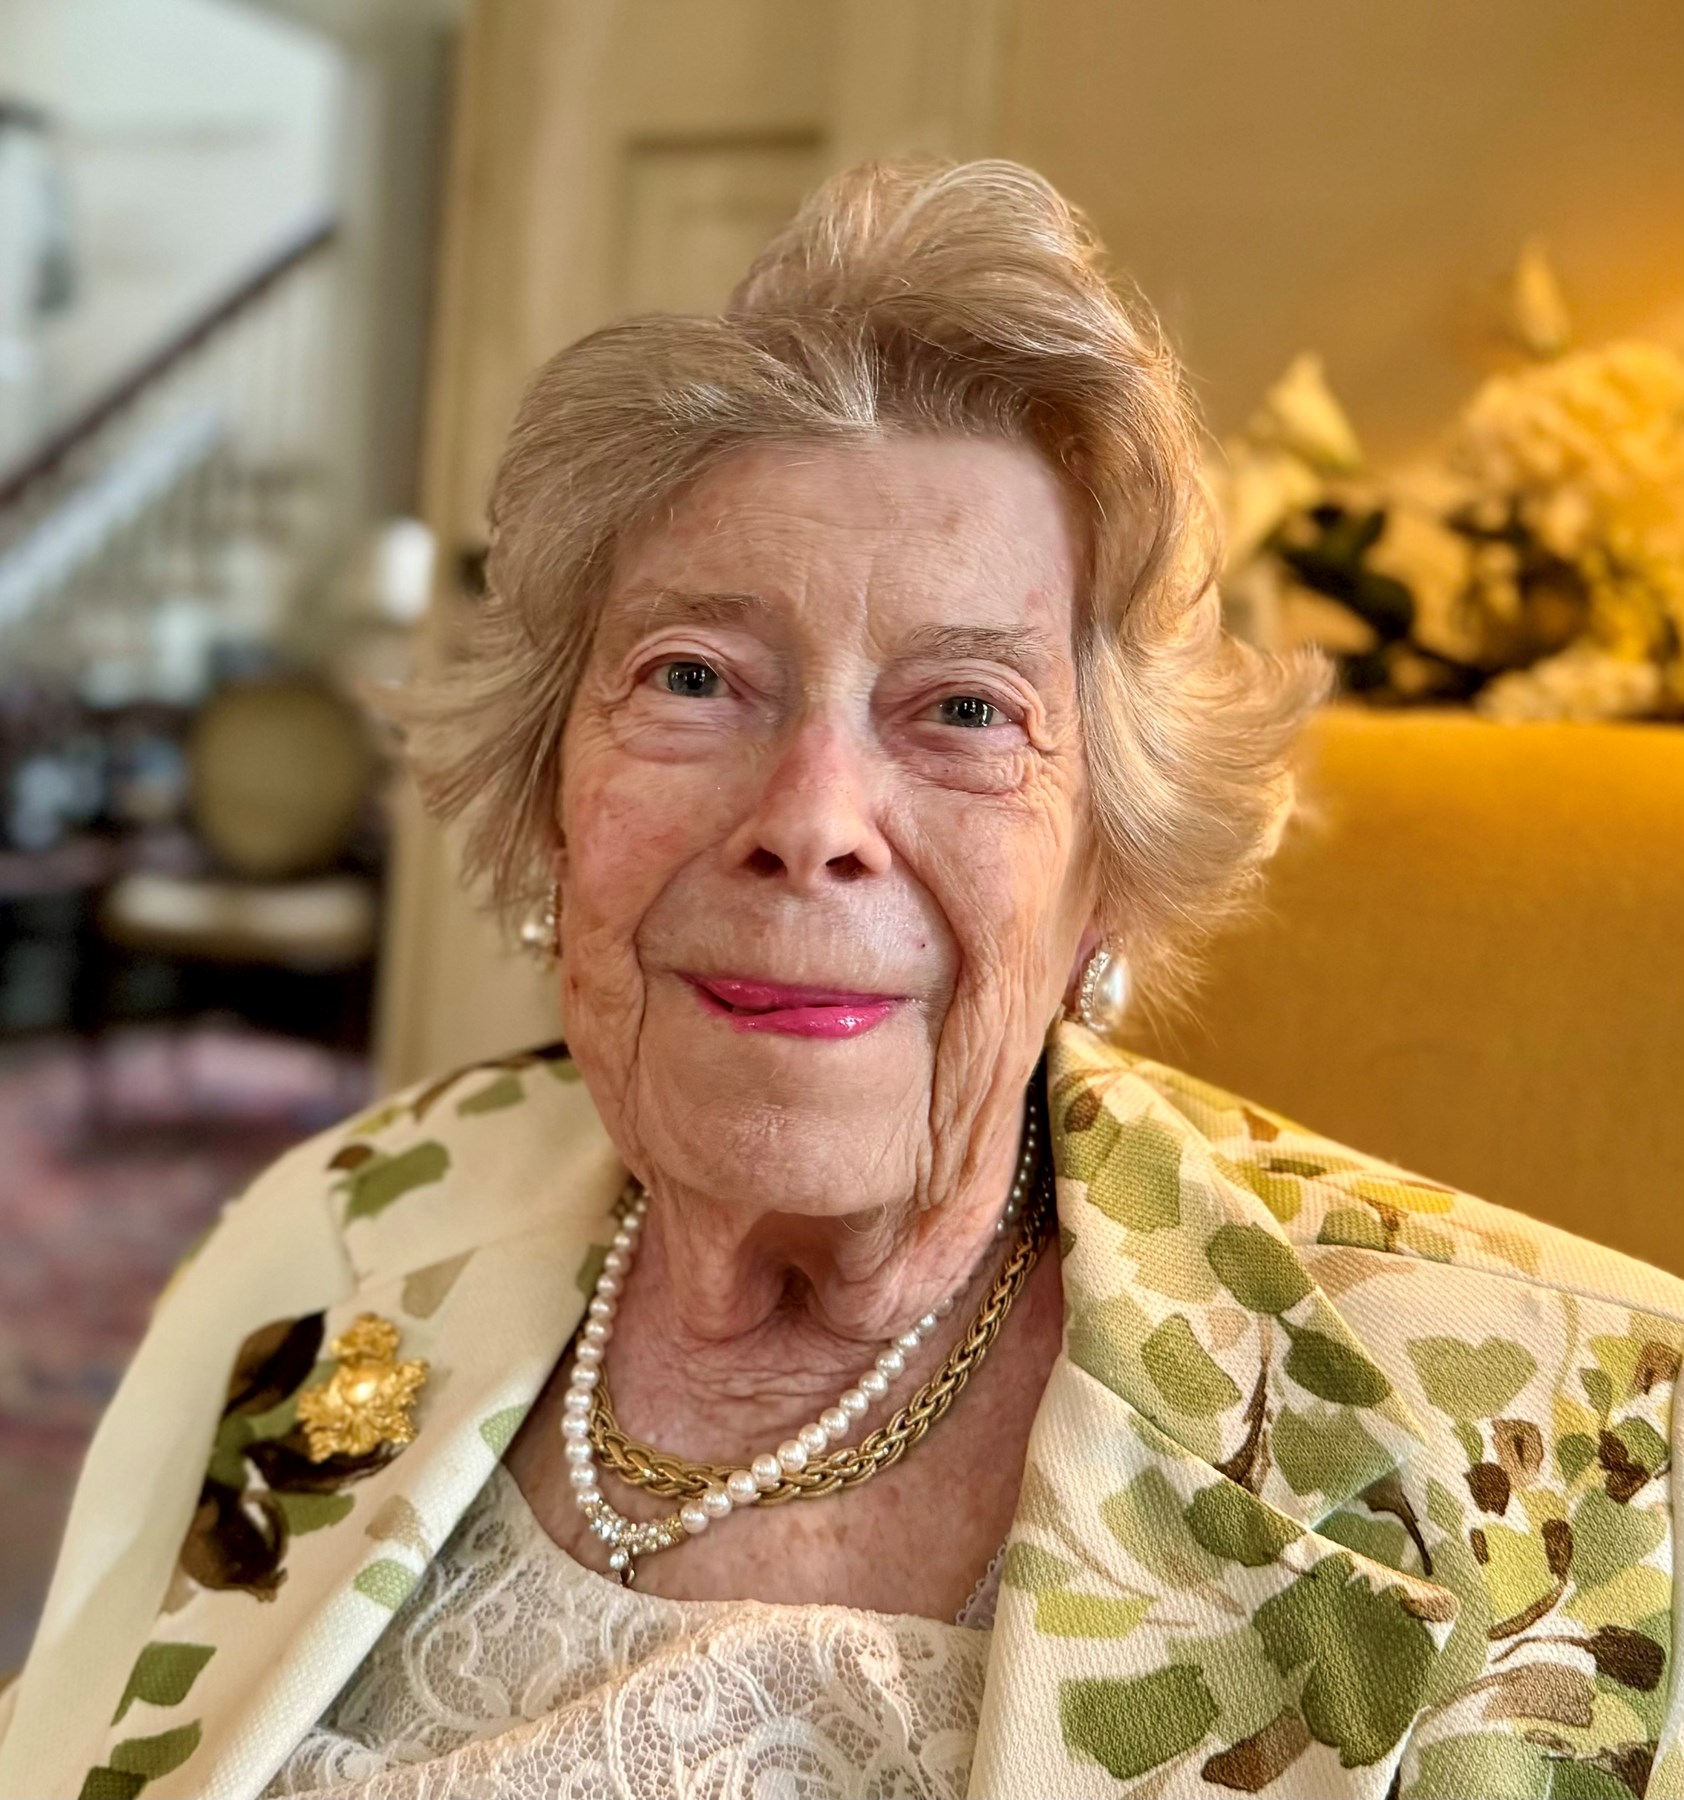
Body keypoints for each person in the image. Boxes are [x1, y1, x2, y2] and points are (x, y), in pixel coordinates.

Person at [3, 159, 1681, 1800]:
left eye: (966, 710)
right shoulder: (339, 1227)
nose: (809, 822)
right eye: (694, 678)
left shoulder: (1577, 1457)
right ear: (552, 795)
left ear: (1109, 866)